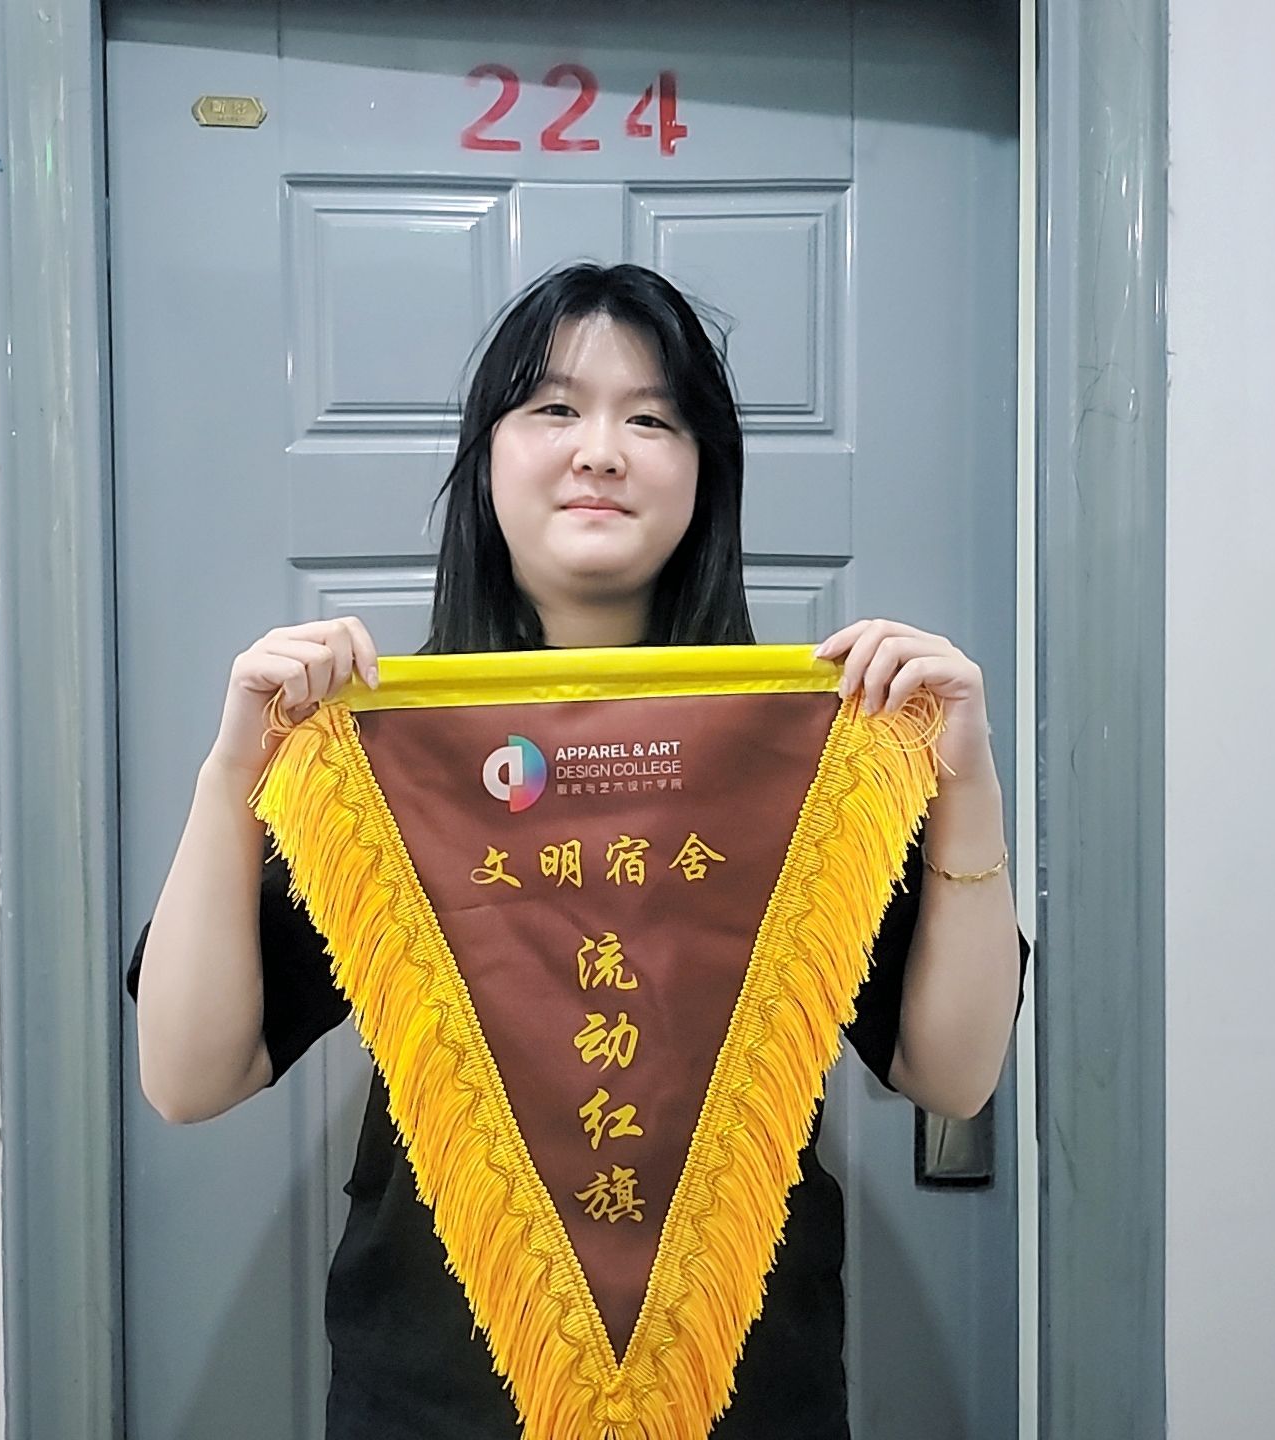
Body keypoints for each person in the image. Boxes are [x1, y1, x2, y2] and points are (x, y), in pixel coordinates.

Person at [126, 262, 1029, 1439]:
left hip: (745, 1397)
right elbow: (190, 1079)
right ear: (487, 459)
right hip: (435, 1402)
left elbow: (952, 1077)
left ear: (705, 475)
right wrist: (232, 774)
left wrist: (965, 779)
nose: (600, 451)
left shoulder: (809, 759)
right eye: (554, 407)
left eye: (651, 419)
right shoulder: (384, 762)